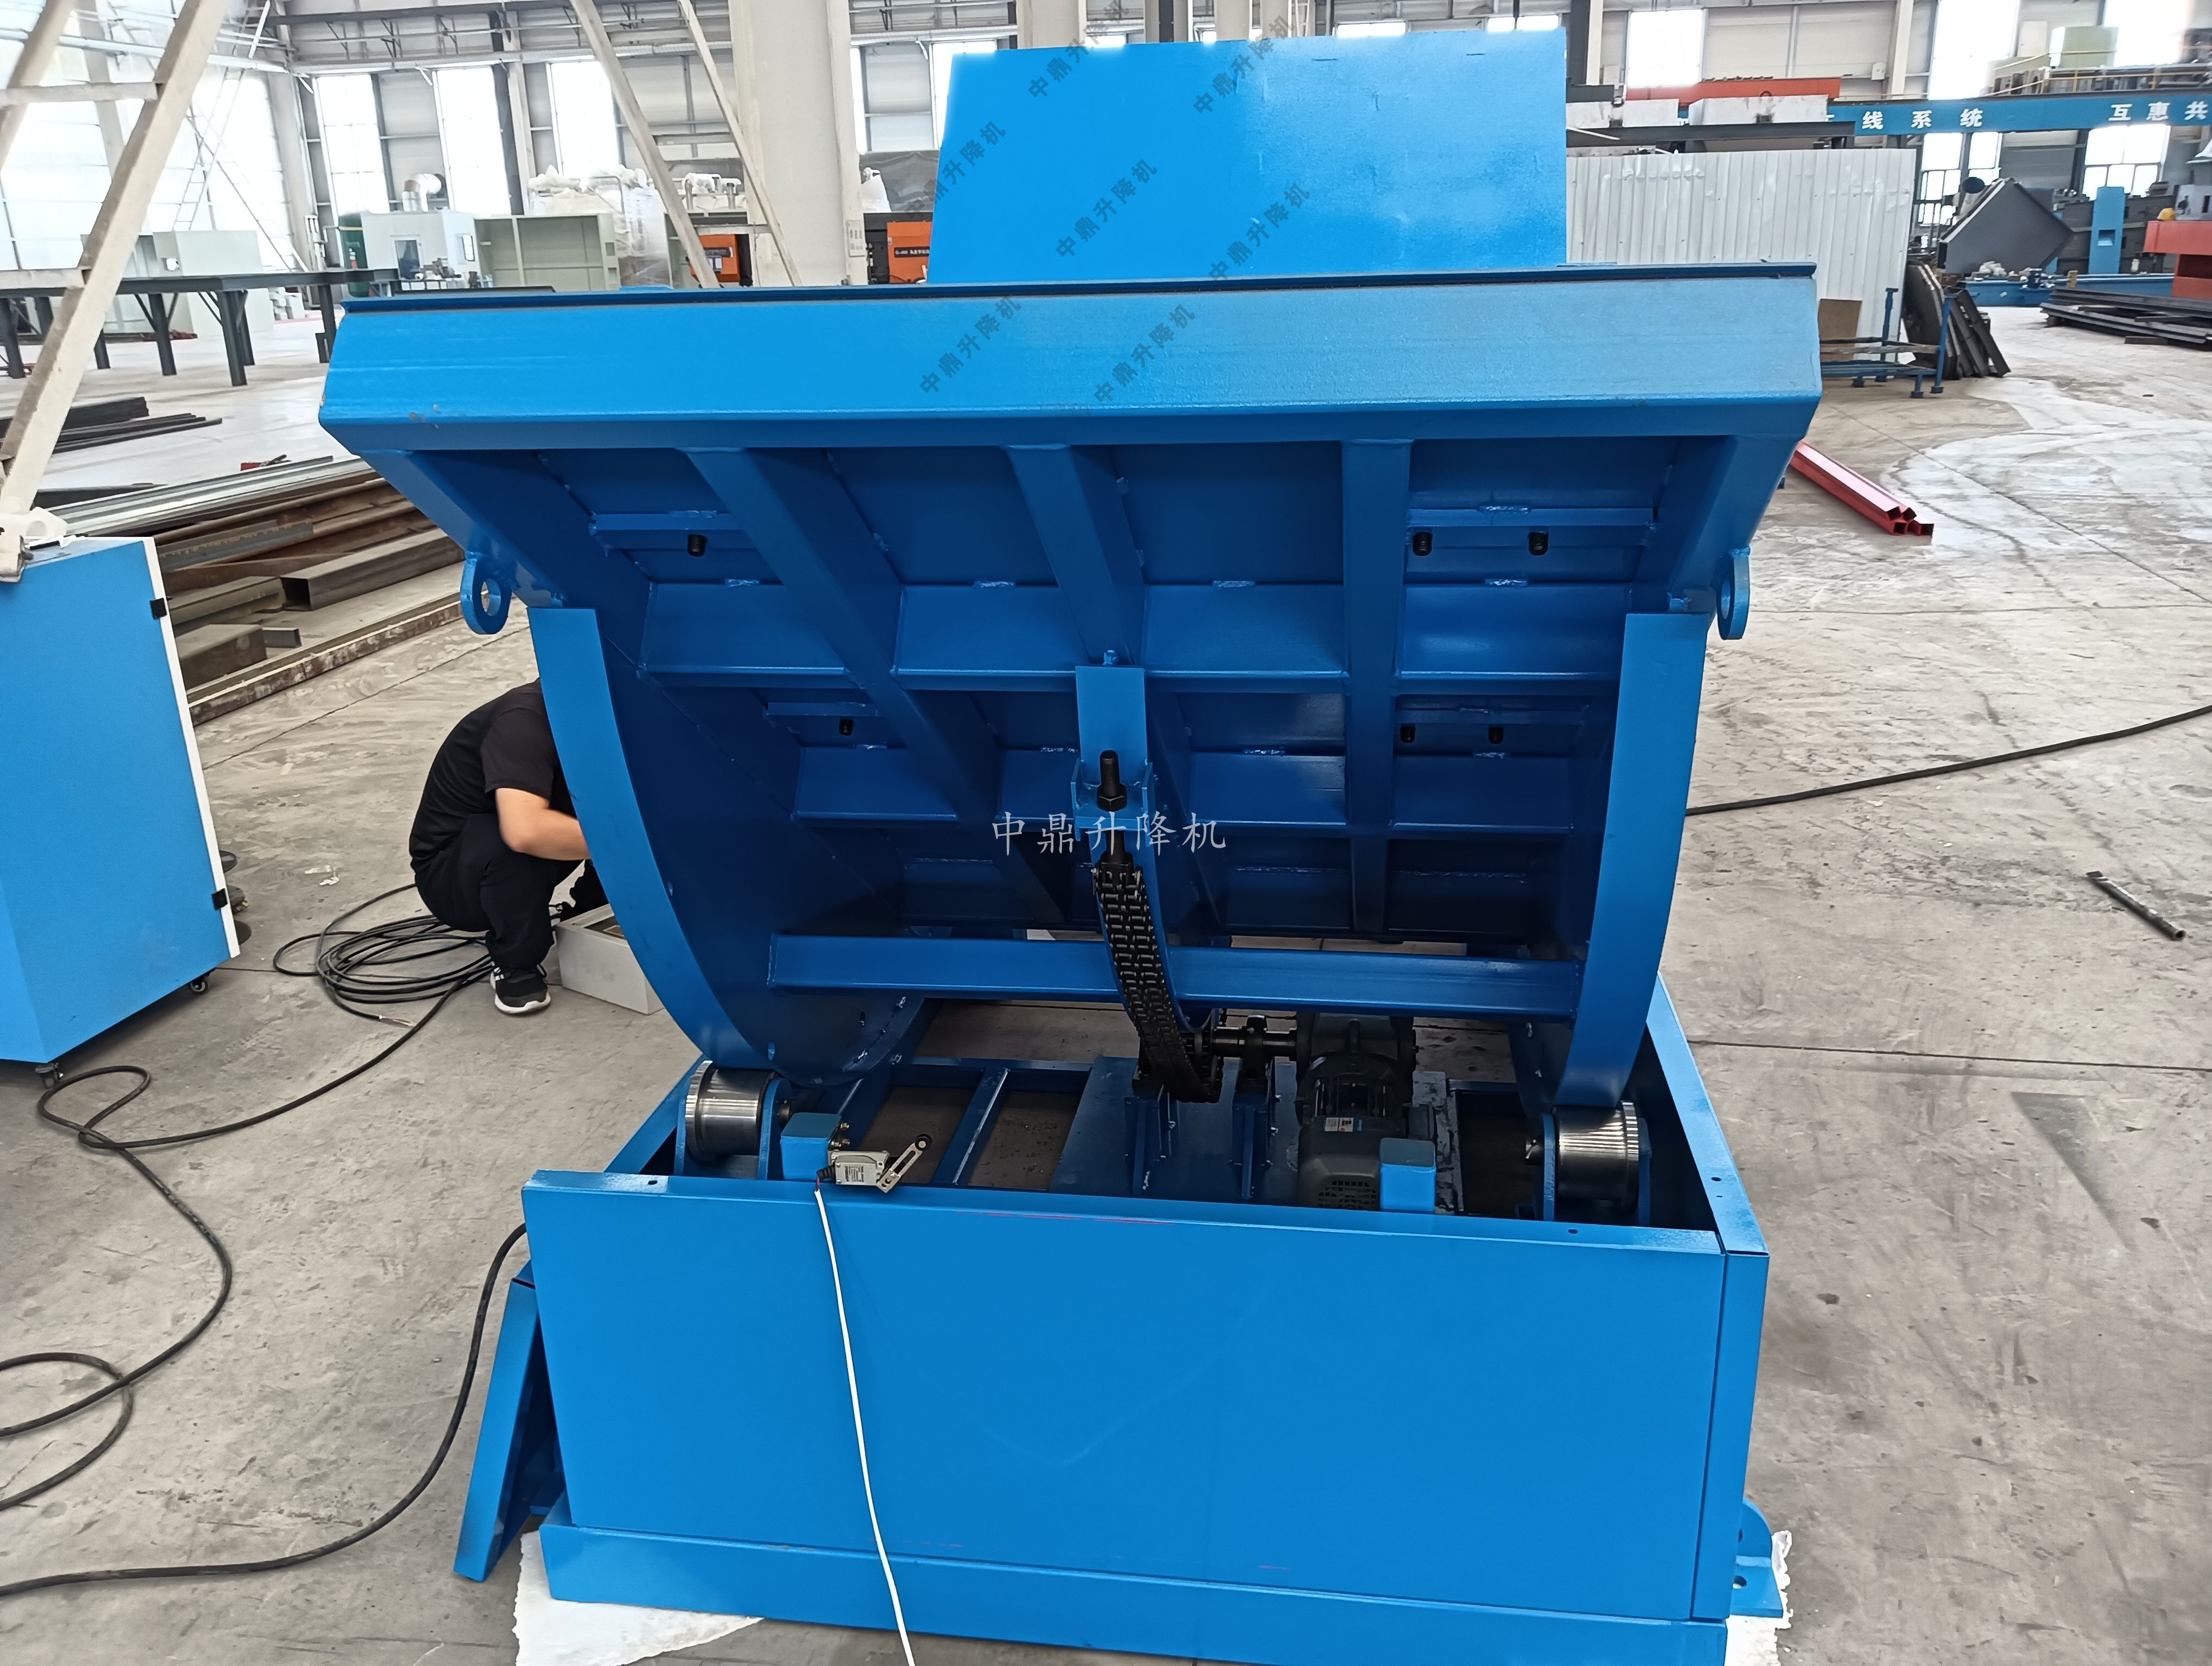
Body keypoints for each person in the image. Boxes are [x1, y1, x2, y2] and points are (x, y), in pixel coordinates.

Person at [410, 680, 603, 1015]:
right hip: (457, 876)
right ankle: (516, 963)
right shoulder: (522, 722)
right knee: (514, 835)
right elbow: (525, 832)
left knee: (620, 813)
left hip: (529, 855)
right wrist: (633, 847)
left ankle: (588, 914)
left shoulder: (596, 714)